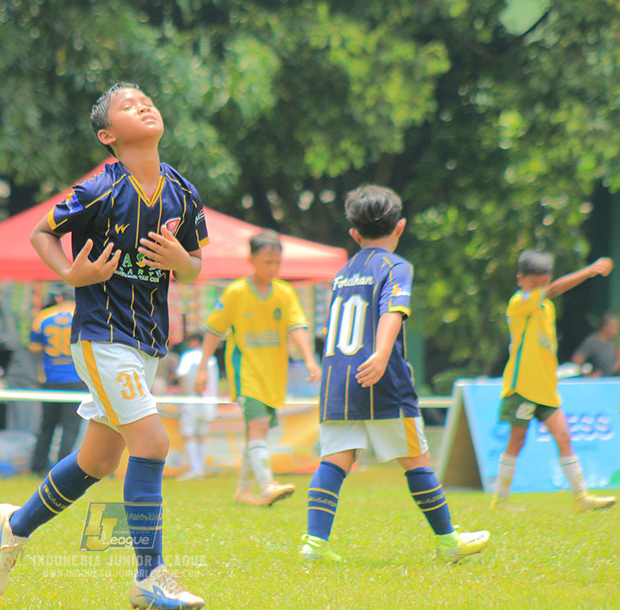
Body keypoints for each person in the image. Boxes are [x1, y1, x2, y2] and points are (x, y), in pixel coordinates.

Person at [0, 82, 208, 609]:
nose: (144, 105)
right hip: (103, 338)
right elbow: (42, 232)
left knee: (97, 461)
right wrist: (71, 272)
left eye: (147, 99)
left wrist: (181, 262)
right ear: (108, 135)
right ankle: (149, 579)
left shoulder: (183, 192)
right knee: (152, 444)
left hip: (148, 342)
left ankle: (13, 527)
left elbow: (195, 269)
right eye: (128, 106)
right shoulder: (99, 189)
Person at [300, 185, 490, 564]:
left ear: (354, 234)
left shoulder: (343, 272)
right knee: (417, 461)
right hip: (379, 378)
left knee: (334, 461)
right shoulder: (396, 266)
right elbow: (393, 310)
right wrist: (384, 353)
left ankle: (314, 544)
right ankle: (448, 541)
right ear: (400, 227)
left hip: (337, 379)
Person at [195, 230, 321, 506]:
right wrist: (203, 367)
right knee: (259, 425)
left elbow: (296, 328)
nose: (273, 268)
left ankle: (242, 492)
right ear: (251, 260)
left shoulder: (285, 293)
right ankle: (267, 486)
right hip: (246, 373)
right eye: (267, 262)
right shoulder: (235, 292)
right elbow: (213, 331)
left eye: (277, 262)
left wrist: (310, 359)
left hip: (274, 376)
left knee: (257, 433)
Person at [491, 250, 616, 511]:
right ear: (520, 280)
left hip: (546, 388)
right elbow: (555, 290)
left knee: (564, 437)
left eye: (543, 283)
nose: (539, 289)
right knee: (517, 440)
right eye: (533, 284)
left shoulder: (546, 308)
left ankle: (581, 498)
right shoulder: (519, 302)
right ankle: (500, 500)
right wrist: (590, 270)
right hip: (523, 387)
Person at [28, 286, 85, 475]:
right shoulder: (85, 314)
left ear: (59, 297)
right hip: (77, 377)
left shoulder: (43, 317)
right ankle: (61, 468)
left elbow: (35, 349)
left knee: (47, 424)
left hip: (50, 378)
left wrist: (40, 373)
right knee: (71, 426)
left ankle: (37, 465)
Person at [174, 331, 219, 481]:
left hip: (191, 401)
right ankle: (200, 468)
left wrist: (183, 397)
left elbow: (182, 376)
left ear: (193, 341)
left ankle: (195, 469)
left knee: (189, 434)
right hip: (209, 402)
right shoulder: (211, 358)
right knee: (201, 435)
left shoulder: (188, 356)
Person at [569, 312, 620, 377]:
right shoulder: (592, 341)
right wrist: (587, 375)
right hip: (597, 383)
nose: (616, 331)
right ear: (606, 327)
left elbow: (613, 366)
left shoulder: (612, 342)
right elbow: (577, 359)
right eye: (614, 327)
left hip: (611, 380)